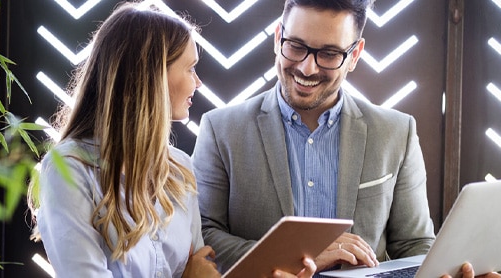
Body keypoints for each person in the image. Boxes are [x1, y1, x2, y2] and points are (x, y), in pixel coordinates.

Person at [192, 0, 501, 277]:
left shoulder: (397, 131)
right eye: (296, 46)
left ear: (354, 55)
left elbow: (414, 243)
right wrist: (303, 257)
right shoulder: (221, 129)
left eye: (328, 54)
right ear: (277, 38)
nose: (306, 67)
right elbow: (203, 235)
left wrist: (449, 272)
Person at [30, 3, 316, 277]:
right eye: (190, 68)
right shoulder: (68, 171)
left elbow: (202, 267)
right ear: (152, 76)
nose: (199, 82)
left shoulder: (180, 168)